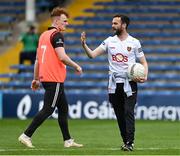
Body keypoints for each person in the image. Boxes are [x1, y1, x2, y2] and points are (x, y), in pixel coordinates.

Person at [81, 14, 148, 151]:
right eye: (112, 23)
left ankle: (130, 142)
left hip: (129, 82)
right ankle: (125, 141)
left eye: (115, 23)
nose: (112, 25)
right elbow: (92, 55)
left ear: (123, 25)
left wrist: (144, 76)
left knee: (128, 111)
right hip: (113, 84)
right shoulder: (109, 41)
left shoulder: (134, 42)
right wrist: (84, 45)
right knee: (119, 114)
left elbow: (143, 62)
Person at [18, 7, 83, 148]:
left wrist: (36, 78)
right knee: (48, 109)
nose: (67, 23)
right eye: (65, 21)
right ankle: (26, 135)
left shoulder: (43, 35)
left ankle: (68, 140)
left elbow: (37, 60)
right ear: (56, 20)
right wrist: (76, 66)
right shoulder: (57, 35)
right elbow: (62, 57)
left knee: (63, 109)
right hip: (54, 78)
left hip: (47, 78)